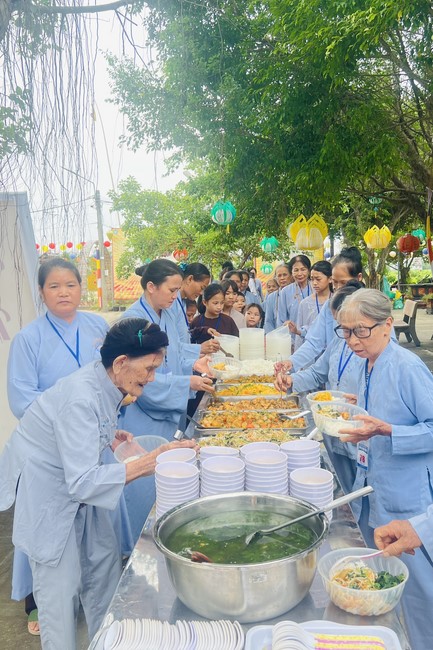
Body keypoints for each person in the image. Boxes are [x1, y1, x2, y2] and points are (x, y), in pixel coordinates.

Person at [0, 318, 198, 649]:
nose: (152, 378)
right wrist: (148, 462)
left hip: (82, 491)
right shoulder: (80, 397)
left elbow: (85, 429)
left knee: (104, 576)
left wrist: (108, 434)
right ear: (120, 362)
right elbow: (82, 481)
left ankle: (104, 643)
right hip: (51, 496)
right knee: (60, 598)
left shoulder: (105, 379)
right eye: (149, 369)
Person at [7, 257, 110, 636]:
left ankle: (89, 602)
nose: (63, 292)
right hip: (51, 452)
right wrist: (70, 423)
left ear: (82, 288)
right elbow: (21, 399)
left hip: (94, 443)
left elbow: (109, 378)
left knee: (96, 537)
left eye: (70, 285)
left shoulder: (97, 326)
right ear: (41, 292)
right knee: (49, 539)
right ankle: (41, 603)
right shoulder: (28, 339)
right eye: (54, 286)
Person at [336, 289, 433, 650]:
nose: (352, 341)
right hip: (373, 489)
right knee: (384, 581)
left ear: (387, 325)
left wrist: (388, 431)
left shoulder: (406, 367)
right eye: (346, 332)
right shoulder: (366, 364)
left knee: (418, 592)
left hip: (407, 498)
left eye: (361, 330)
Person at [276, 282, 364, 494]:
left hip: (362, 439)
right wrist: (292, 380)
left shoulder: (395, 361)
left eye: (350, 328)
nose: (346, 335)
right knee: (345, 489)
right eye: (340, 327)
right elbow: (317, 373)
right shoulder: (339, 342)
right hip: (335, 431)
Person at [118, 259, 215, 440]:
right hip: (144, 415)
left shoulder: (168, 313)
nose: (175, 296)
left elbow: (174, 355)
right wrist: (185, 383)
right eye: (171, 290)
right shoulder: (132, 321)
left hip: (170, 407)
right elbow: (135, 377)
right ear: (151, 287)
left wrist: (194, 364)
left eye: (177, 290)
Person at [275, 247, 363, 373]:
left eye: (343, 283)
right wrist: (291, 362)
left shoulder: (370, 305)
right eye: (335, 282)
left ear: (359, 277)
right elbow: (314, 342)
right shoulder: (329, 306)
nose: (338, 288)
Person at [170, 262, 219, 353]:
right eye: (202, 287)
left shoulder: (182, 302)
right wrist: (199, 348)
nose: (201, 293)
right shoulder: (171, 302)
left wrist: (204, 331)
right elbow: (171, 343)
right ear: (190, 279)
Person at [288, 260, 332, 350]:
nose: (314, 283)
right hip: (311, 351)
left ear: (330, 279)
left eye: (318, 279)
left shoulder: (337, 301)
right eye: (312, 279)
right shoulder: (305, 303)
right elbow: (299, 335)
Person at [278, 255, 312, 332]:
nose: (299, 273)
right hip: (292, 336)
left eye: (303, 269)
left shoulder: (315, 289)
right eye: (296, 270)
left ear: (309, 271)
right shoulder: (285, 292)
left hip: (314, 335)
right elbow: (281, 320)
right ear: (291, 272)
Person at [263, 263, 292, 333]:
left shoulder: (296, 294)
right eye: (279, 275)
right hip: (276, 335)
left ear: (291, 276)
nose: (282, 278)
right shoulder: (271, 297)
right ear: (276, 278)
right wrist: (274, 336)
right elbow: (268, 321)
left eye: (285, 275)